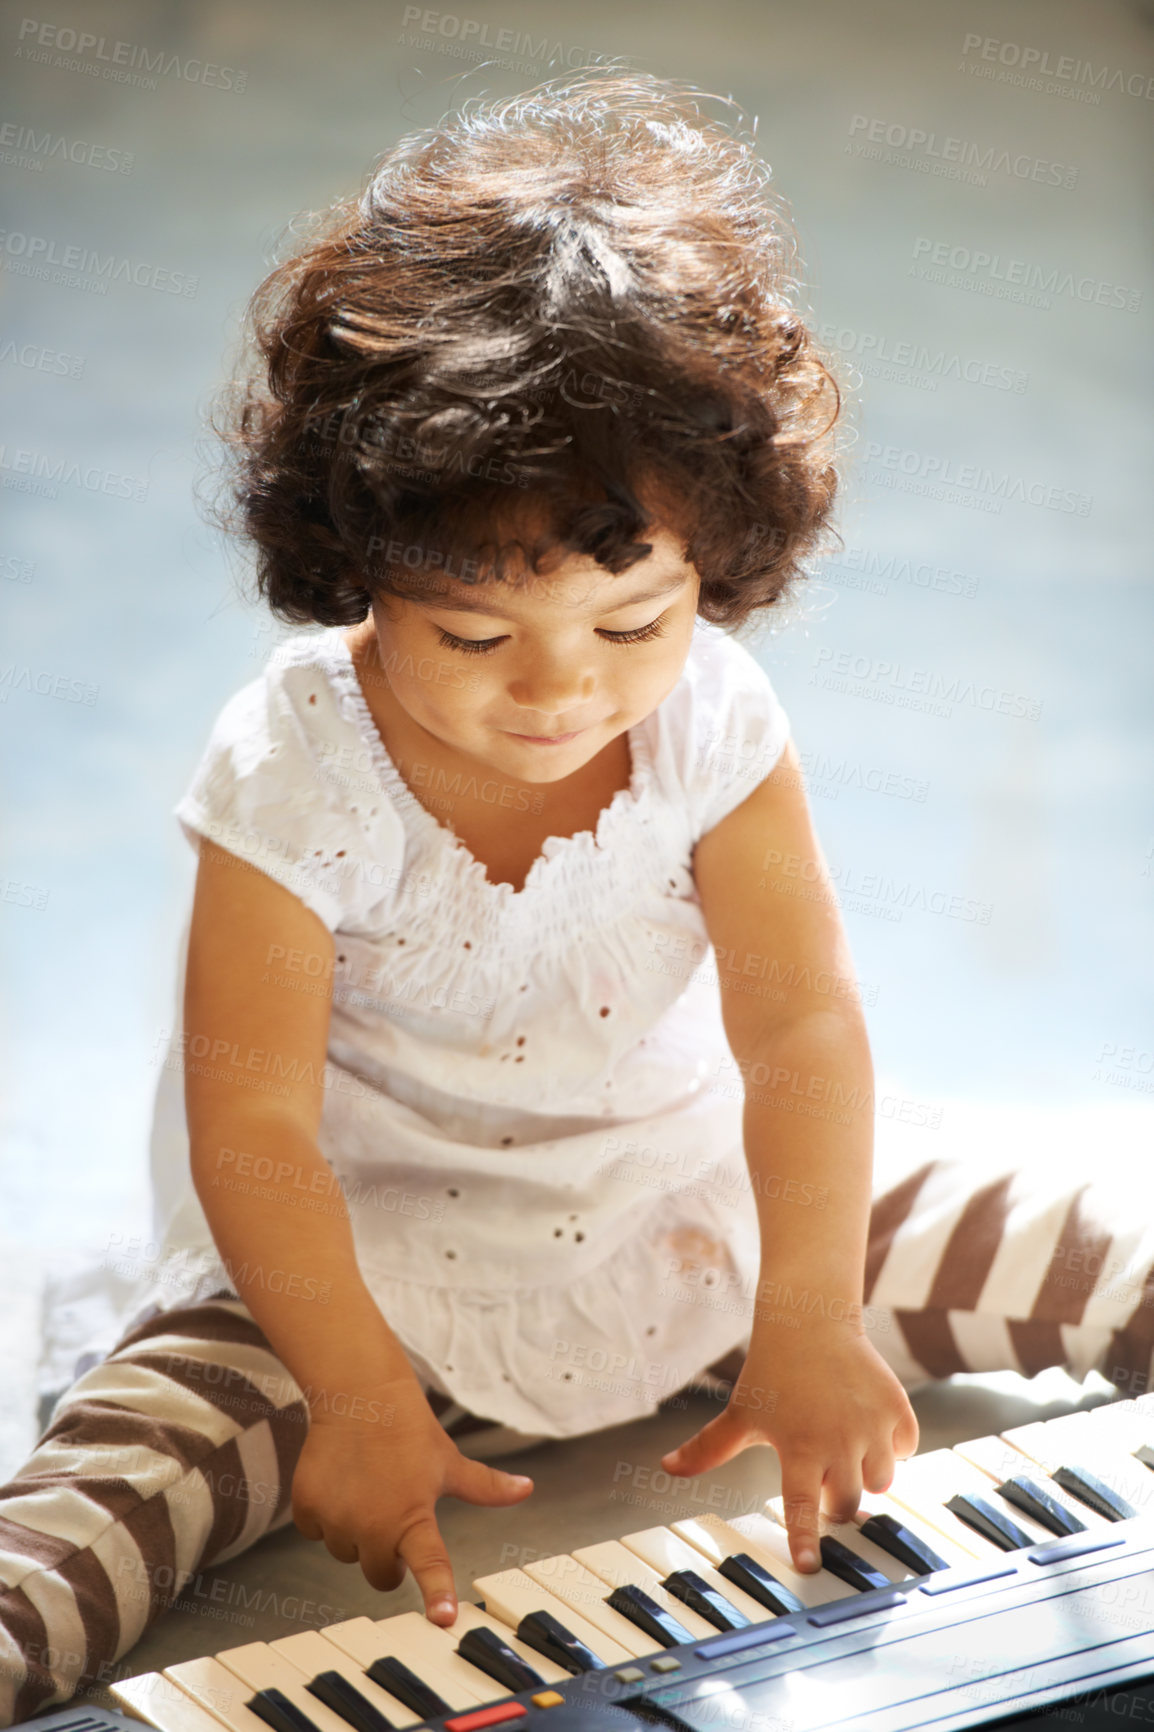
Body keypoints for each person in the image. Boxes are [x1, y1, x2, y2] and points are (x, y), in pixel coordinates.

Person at [4, 65, 1154, 1729]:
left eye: (631, 623)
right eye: (473, 637)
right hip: (358, 1275)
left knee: (1095, 1242)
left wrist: (810, 1314)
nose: (555, 695)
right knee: (83, 1520)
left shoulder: (716, 722)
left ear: (716, 565)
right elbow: (246, 1121)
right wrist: (353, 1390)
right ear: (354, 559)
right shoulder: (294, 760)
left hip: (700, 1209)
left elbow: (801, 1025)